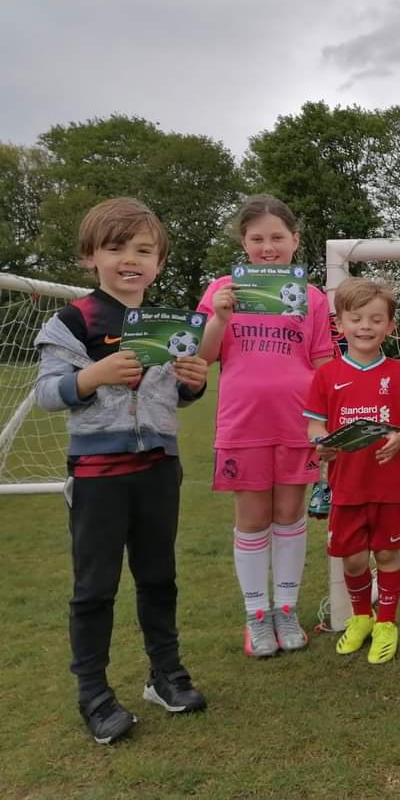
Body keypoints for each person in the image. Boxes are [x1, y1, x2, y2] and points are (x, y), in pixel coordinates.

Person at [34, 198, 209, 744]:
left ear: (158, 261)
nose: (131, 259)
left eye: (144, 250)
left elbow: (177, 397)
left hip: (159, 467)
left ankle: (165, 675)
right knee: (94, 588)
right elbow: (46, 394)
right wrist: (92, 378)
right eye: (116, 248)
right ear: (91, 257)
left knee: (159, 577)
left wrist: (194, 379)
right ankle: (94, 693)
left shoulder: (170, 323)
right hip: (97, 472)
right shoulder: (73, 321)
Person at [197, 195, 335, 657]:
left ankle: (287, 609)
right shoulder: (223, 289)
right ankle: (256, 615)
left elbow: (322, 362)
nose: (268, 247)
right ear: (244, 242)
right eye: (257, 238)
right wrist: (219, 317)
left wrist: (331, 417)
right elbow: (203, 355)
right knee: (253, 518)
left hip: (298, 425)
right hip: (243, 424)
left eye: (278, 237)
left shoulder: (311, 297)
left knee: (290, 515)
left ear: (295, 241)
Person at [304, 278, 400, 664]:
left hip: (388, 486)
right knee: (354, 559)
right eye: (356, 319)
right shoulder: (326, 376)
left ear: (389, 325)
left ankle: (387, 622)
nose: (366, 327)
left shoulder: (399, 374)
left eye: (376, 319)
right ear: (339, 324)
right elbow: (315, 425)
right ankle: (361, 617)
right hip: (347, 486)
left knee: (388, 554)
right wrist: (323, 442)